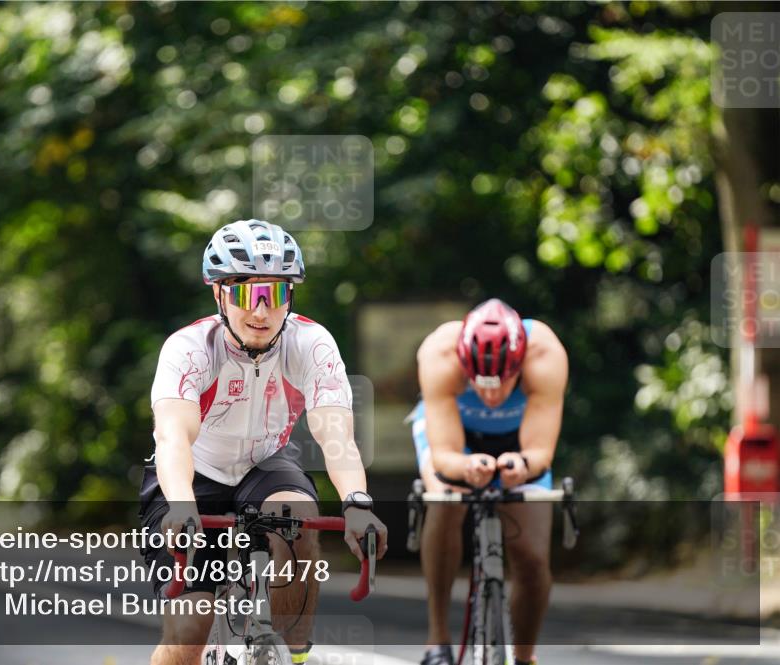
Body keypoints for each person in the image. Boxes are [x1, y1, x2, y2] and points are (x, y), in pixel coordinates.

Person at [140, 219, 388, 665]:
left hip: (266, 462)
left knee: (298, 515)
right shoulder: (191, 348)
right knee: (190, 629)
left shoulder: (311, 344)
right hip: (191, 474)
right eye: (245, 294)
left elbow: (336, 435)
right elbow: (173, 437)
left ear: (289, 297)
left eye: (273, 295)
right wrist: (181, 506)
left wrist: (356, 503)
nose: (260, 312)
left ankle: (292, 655)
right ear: (218, 294)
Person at [410, 298, 568, 665]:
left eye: (505, 382)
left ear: (521, 363)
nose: (493, 395)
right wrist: (463, 467)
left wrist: (522, 464)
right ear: (465, 363)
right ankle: (438, 639)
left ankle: (525, 655)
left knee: (530, 555)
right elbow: (444, 456)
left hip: (520, 440)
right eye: (481, 384)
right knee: (446, 501)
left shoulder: (545, 353)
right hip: (456, 437)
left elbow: (540, 452)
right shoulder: (439, 352)